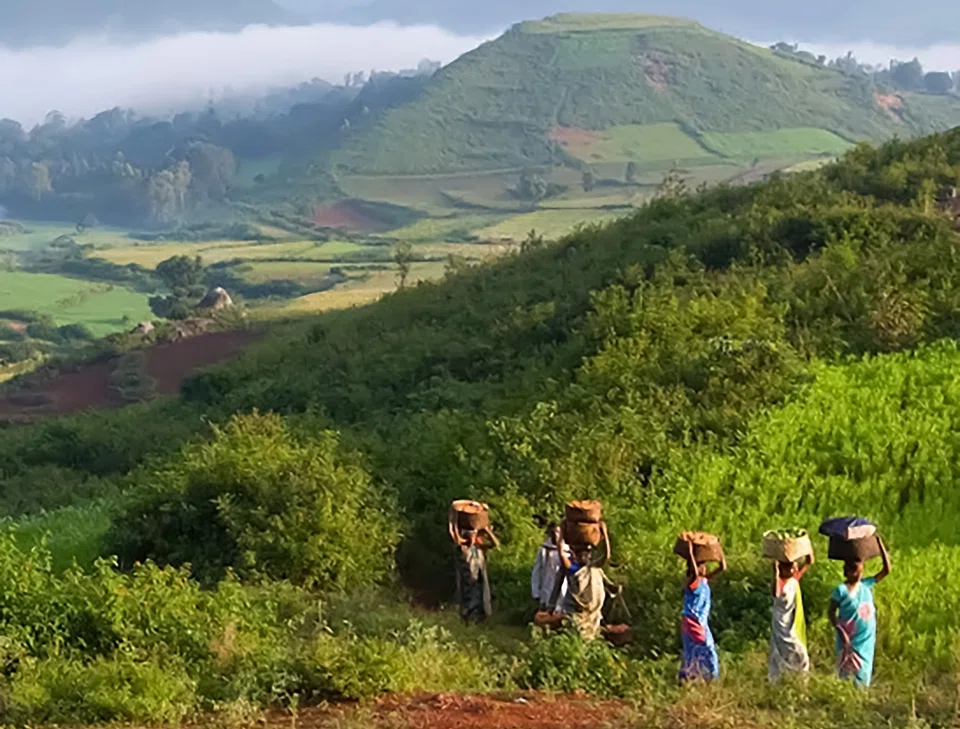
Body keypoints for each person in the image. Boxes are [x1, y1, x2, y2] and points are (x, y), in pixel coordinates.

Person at [829, 537, 891, 688]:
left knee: (863, 668)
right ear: (848, 571)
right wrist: (840, 630)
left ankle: (861, 694)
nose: (860, 572)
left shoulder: (866, 584)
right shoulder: (841, 590)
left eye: (861, 567)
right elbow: (831, 612)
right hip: (848, 637)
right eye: (856, 569)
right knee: (846, 669)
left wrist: (879, 545)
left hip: (865, 638)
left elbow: (886, 570)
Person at [554, 522, 618, 640]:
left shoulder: (593, 568)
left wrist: (605, 535)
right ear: (575, 556)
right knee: (576, 636)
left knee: (590, 635)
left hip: (592, 613)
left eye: (587, 554)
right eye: (581, 554)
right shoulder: (573, 569)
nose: (585, 556)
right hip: (578, 613)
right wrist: (560, 538)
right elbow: (561, 554)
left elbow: (606, 556)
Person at [679, 539, 726, 683]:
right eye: (702, 566)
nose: (704, 568)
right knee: (706, 649)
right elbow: (694, 570)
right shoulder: (692, 583)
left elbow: (722, 568)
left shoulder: (704, 581)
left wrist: (719, 551)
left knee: (695, 650)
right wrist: (691, 553)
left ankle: (692, 677)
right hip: (694, 622)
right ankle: (707, 677)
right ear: (695, 569)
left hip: (699, 622)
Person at [449, 510, 500, 624]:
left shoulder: (480, 547)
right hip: (467, 583)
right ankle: (469, 619)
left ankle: (479, 619)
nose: (473, 536)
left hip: (479, 581)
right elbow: (457, 537)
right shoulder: (462, 548)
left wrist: (487, 531)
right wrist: (454, 523)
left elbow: (495, 544)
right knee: (468, 600)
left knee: (482, 598)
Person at [768, 555, 813, 683]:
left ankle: (801, 682)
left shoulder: (793, 580)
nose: (794, 569)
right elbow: (776, 593)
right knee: (780, 653)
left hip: (791, 621)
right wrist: (775, 573)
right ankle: (777, 681)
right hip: (780, 622)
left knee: (801, 655)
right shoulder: (780, 582)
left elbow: (809, 561)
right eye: (790, 567)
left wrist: (805, 548)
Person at [531, 523, 570, 611]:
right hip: (547, 586)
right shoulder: (544, 550)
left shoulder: (568, 550)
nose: (556, 535)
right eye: (555, 532)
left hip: (564, 587)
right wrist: (536, 591)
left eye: (559, 532)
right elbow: (537, 570)